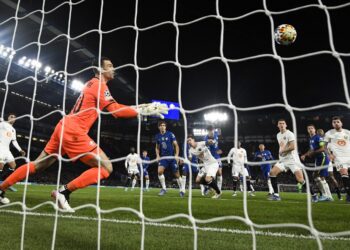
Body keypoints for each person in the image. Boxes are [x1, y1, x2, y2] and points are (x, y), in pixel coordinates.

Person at [0, 56, 168, 209]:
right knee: (106, 167)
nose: (113, 69)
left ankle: (1, 189)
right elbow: (116, 111)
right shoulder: (100, 85)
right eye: (109, 65)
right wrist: (141, 112)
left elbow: (117, 106)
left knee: (38, 165)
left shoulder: (93, 84)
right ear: (99, 69)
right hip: (74, 131)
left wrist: (142, 107)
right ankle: (64, 192)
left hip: (64, 126)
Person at [268, 119, 306, 201]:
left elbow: (292, 147)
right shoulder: (278, 135)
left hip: (293, 160)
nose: (281, 125)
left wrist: (283, 151)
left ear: (286, 125)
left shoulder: (290, 134)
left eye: (283, 123)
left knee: (300, 180)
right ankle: (276, 195)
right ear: (277, 125)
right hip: (283, 160)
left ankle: (314, 195)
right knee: (272, 173)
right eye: (280, 123)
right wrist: (281, 154)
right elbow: (283, 146)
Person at [300, 124, 333, 202]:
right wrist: (305, 155)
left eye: (312, 128)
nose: (310, 129)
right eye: (309, 128)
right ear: (307, 130)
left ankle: (325, 195)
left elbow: (322, 148)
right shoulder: (311, 139)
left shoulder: (318, 137)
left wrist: (313, 153)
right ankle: (328, 196)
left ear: (315, 130)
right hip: (318, 159)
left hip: (323, 157)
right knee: (321, 177)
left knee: (315, 175)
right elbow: (311, 150)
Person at [324, 116, 350, 203]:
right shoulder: (329, 133)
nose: (336, 123)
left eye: (338, 122)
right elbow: (324, 146)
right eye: (334, 122)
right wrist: (329, 154)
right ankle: (349, 195)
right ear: (332, 124)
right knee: (344, 173)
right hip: (339, 158)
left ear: (341, 123)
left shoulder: (348, 132)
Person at [155, 121, 183, 196]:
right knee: (160, 171)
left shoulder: (170, 134)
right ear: (159, 127)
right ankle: (164, 189)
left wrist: (177, 155)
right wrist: (157, 155)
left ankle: (182, 190)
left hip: (172, 157)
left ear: (165, 127)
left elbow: (176, 145)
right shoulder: (157, 136)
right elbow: (157, 147)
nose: (163, 126)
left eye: (164, 125)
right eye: (161, 125)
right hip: (163, 158)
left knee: (177, 174)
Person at [0, 114, 26, 192]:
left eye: (14, 117)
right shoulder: (3, 124)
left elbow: (14, 141)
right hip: (0, 147)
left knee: (13, 166)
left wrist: (20, 150)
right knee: (0, 166)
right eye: (11, 117)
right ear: (8, 118)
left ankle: (4, 182)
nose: (13, 118)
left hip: (7, 150)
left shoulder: (13, 130)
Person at [317, 128, 342, 200]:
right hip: (327, 161)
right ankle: (338, 195)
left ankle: (324, 195)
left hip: (325, 161)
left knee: (320, 177)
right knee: (330, 177)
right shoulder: (326, 141)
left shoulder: (323, 142)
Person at [205, 125, 223, 191]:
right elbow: (209, 143)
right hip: (211, 157)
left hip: (217, 156)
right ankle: (209, 187)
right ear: (207, 131)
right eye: (210, 131)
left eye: (212, 130)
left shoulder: (215, 133)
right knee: (211, 174)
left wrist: (217, 124)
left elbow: (220, 131)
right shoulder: (206, 138)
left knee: (219, 172)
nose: (211, 132)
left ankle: (219, 190)